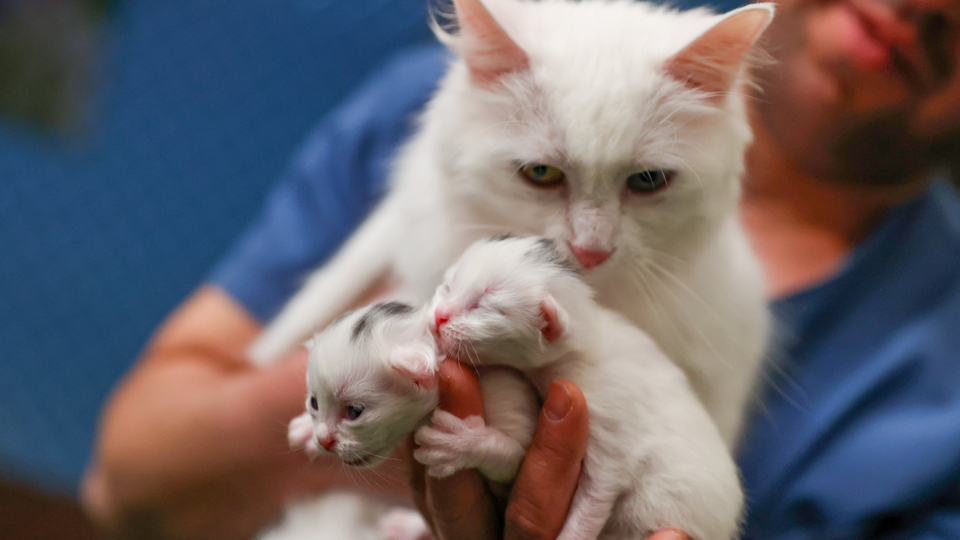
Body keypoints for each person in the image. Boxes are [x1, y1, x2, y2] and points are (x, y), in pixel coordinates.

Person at [80, 0, 960, 537]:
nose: (589, 244)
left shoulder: (929, 367)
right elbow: (124, 484)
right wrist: (385, 383)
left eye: (647, 182)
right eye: (542, 174)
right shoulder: (407, 113)